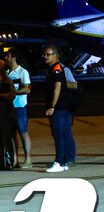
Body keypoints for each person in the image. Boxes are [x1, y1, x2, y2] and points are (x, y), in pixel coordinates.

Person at [43, 43, 77, 173]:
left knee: (59, 134)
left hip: (60, 108)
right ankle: (63, 162)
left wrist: (52, 106)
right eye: (44, 54)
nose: (45, 57)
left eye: (48, 54)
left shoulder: (58, 69)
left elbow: (58, 88)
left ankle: (60, 162)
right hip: (61, 107)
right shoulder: (53, 69)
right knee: (60, 134)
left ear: (55, 55)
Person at [6, 50, 33, 169]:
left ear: (13, 57)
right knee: (11, 134)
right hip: (9, 107)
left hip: (19, 106)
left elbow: (28, 89)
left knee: (23, 132)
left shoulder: (22, 72)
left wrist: (14, 93)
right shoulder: (7, 73)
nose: (5, 58)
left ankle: (28, 160)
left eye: (7, 56)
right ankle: (15, 159)